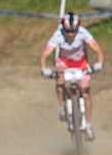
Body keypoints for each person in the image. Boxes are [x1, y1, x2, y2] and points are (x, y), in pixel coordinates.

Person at [40, 12, 104, 141]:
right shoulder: (58, 35)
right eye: (68, 31)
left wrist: (99, 63)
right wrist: (44, 68)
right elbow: (45, 53)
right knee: (60, 81)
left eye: (73, 31)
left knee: (86, 92)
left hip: (81, 63)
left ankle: (88, 124)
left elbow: (97, 49)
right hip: (64, 62)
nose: (70, 34)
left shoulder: (83, 33)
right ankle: (63, 106)